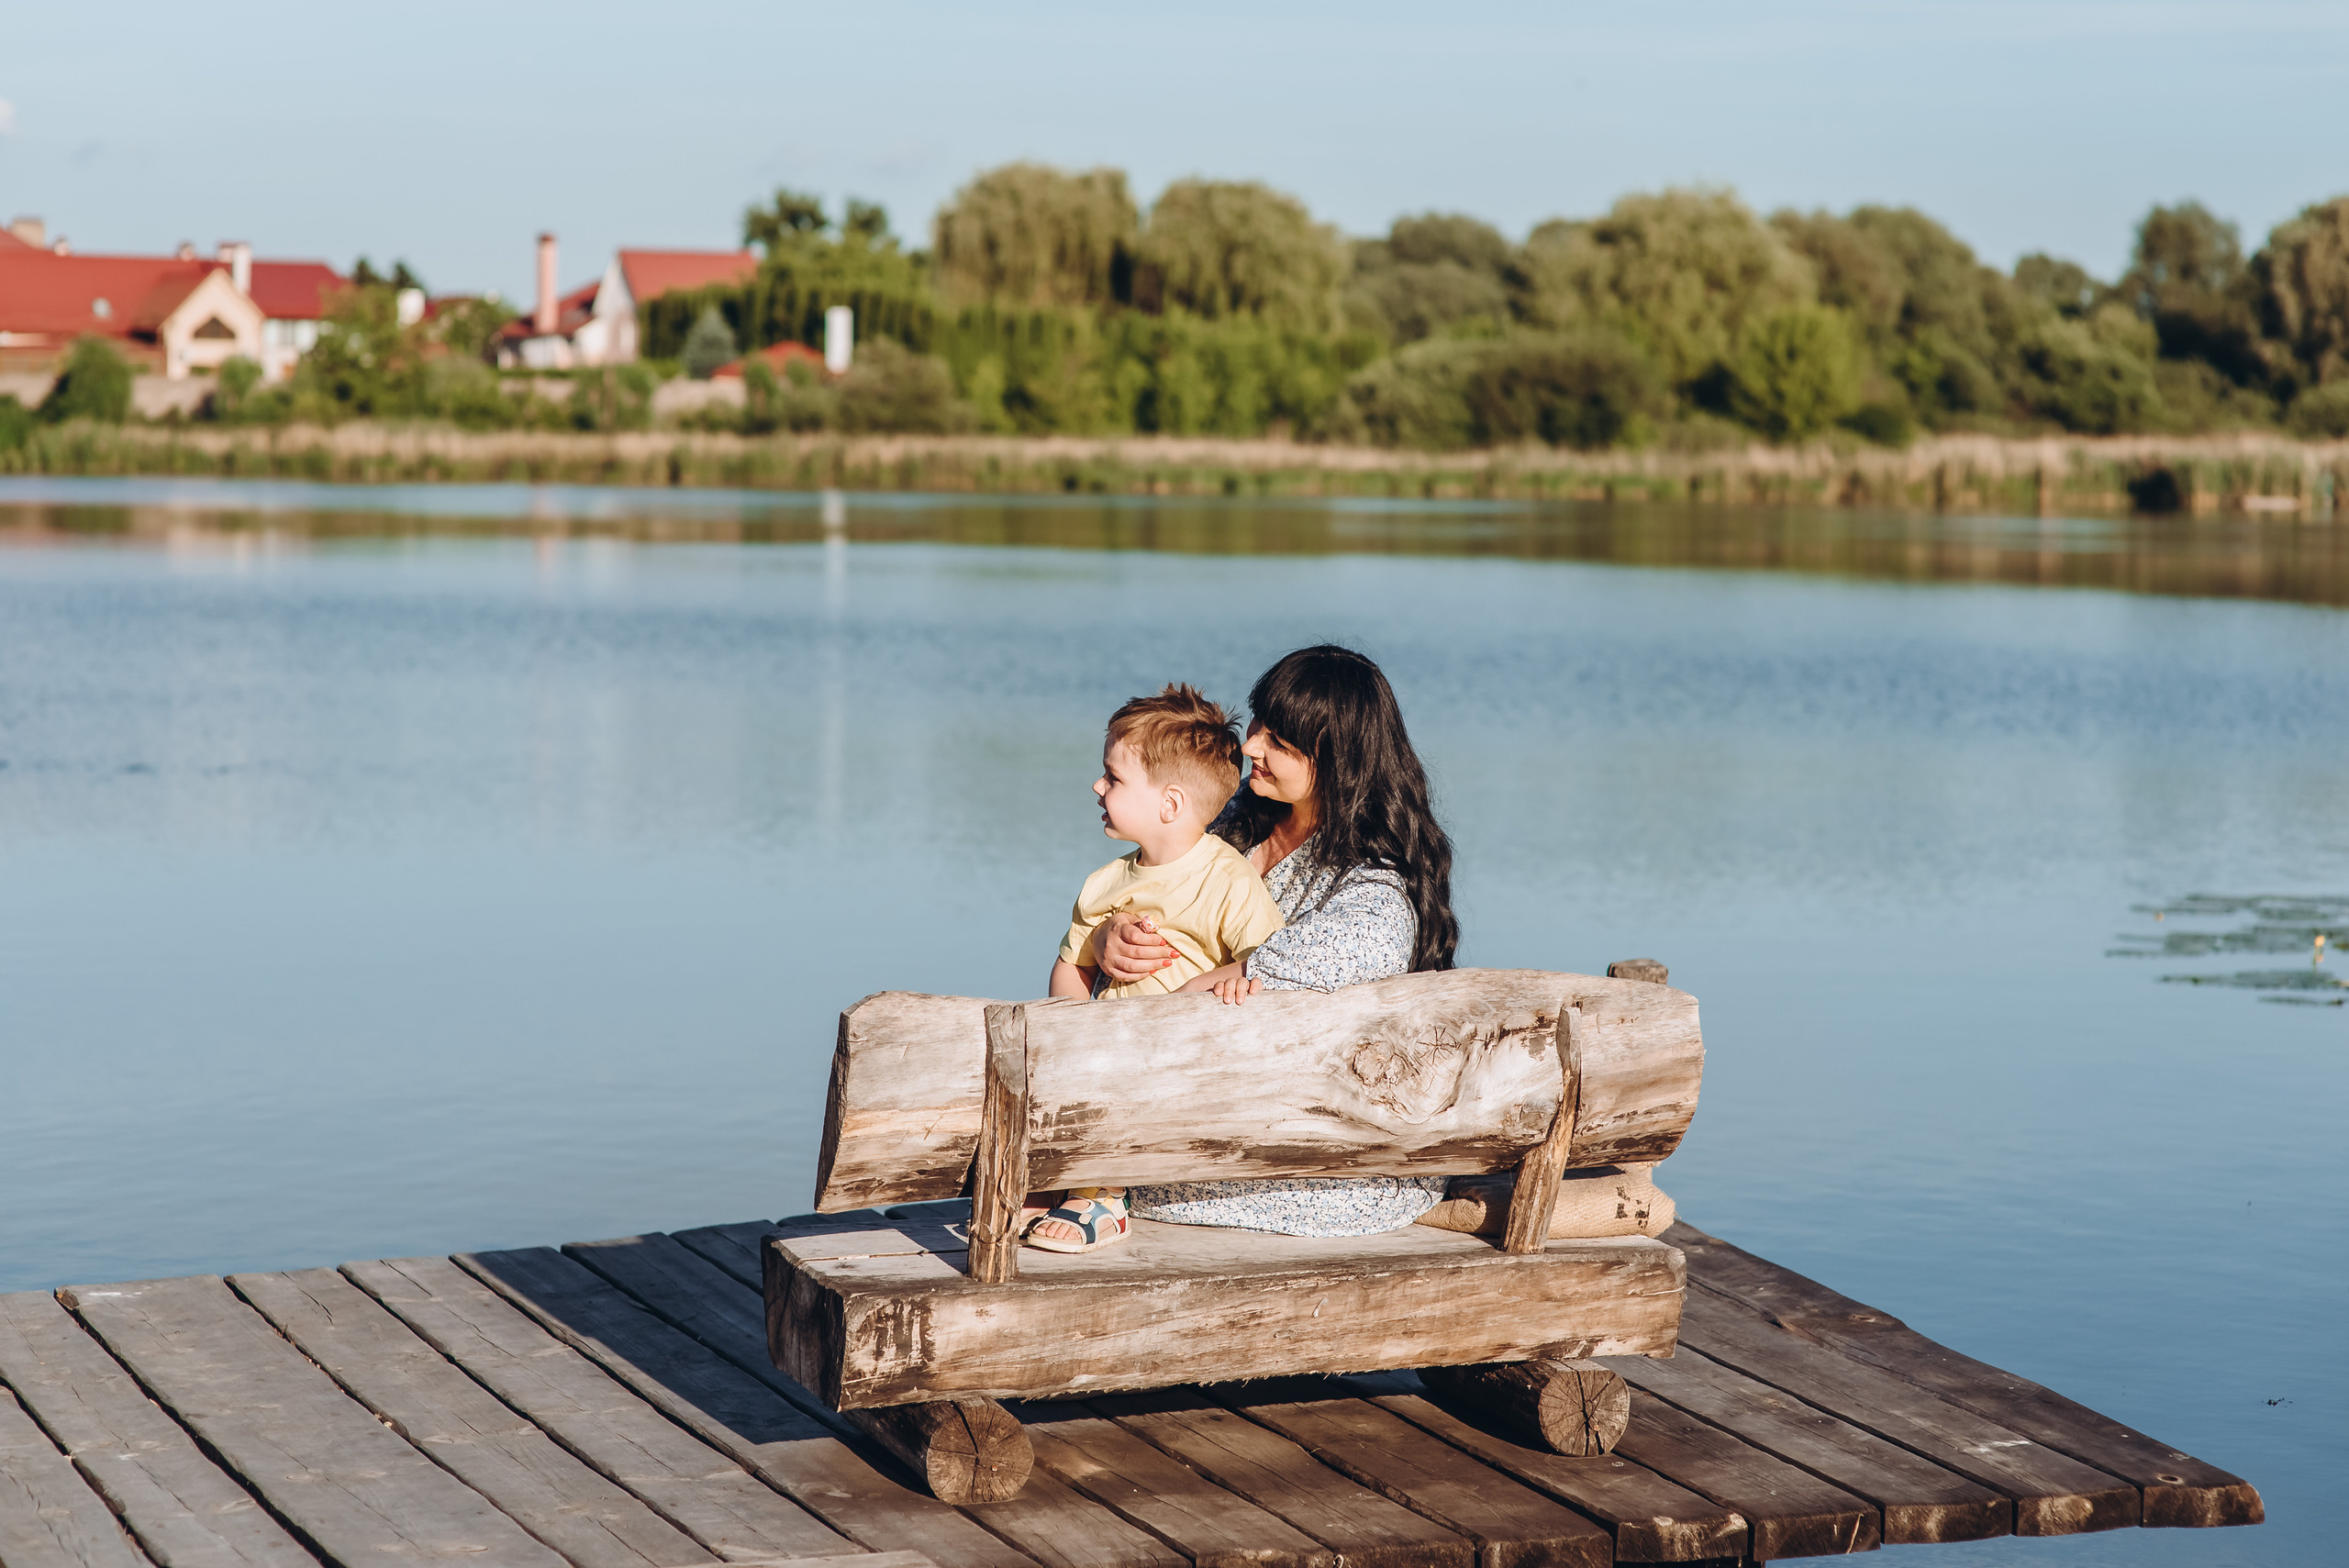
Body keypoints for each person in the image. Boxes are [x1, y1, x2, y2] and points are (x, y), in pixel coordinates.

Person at [1026, 643, 1461, 1249]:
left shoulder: (1375, 892)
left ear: (1333, 760)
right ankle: (1088, 1177)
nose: (1251, 745)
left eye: (1278, 741)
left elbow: (1270, 981)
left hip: (1307, 1162)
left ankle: (1094, 1183)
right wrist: (1107, 938)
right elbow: (1158, 895)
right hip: (1195, 1101)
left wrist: (1191, 985)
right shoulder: (1240, 821)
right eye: (1259, 722)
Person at [1024, 684, 1286, 1252]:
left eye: (1113, 778)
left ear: (1169, 804)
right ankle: (1055, 1176)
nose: (1097, 786)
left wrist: (1217, 982)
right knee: (1057, 1075)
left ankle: (1104, 1197)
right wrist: (1071, 1029)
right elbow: (1071, 967)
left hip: (1182, 1057)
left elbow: (1266, 960)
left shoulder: (1225, 879)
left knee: (1122, 1084)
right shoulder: (1104, 885)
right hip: (1111, 1044)